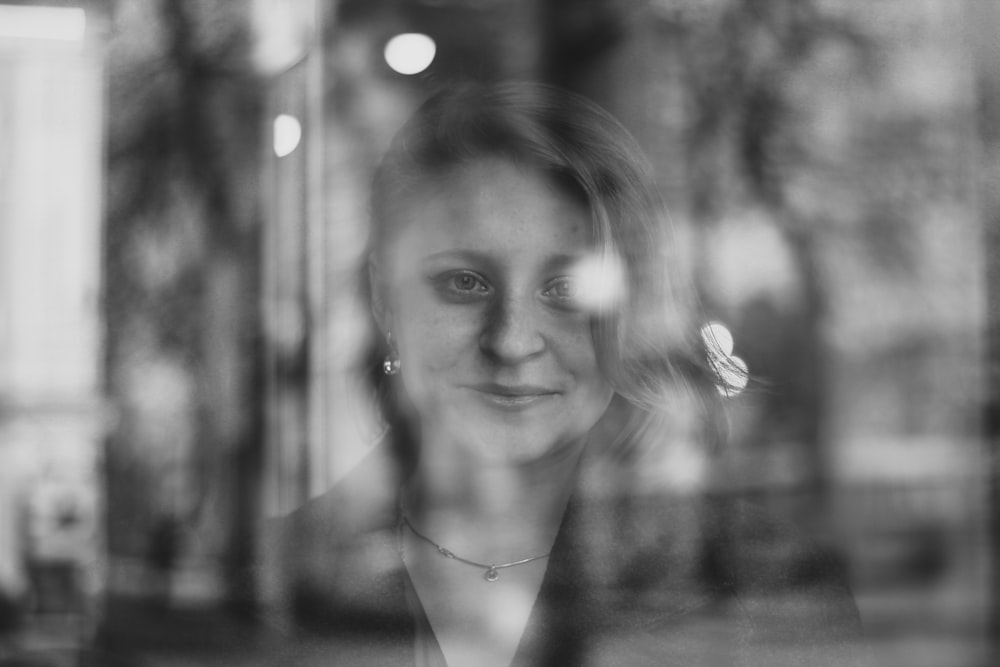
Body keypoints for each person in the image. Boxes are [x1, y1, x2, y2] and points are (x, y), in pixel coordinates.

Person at [272, 81, 868, 666]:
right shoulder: (270, 582)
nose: (511, 341)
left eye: (566, 289)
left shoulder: (764, 590)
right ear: (383, 300)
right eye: (463, 283)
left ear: (630, 313)